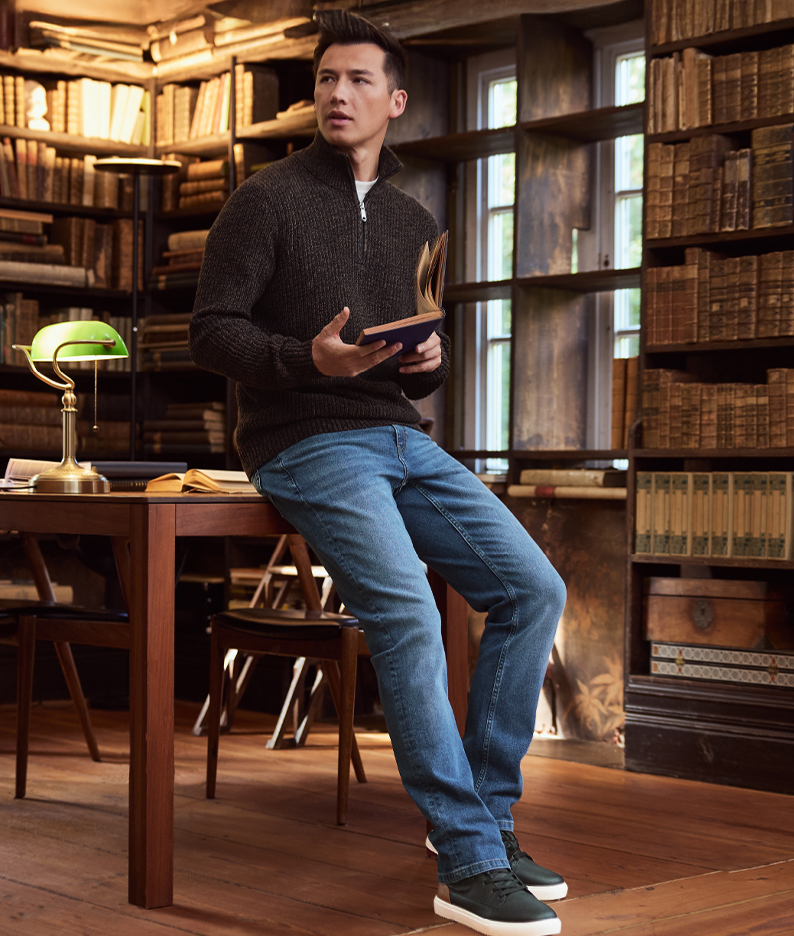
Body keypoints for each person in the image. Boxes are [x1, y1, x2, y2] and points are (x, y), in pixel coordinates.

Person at [189, 11, 567, 936]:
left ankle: (484, 823)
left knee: (533, 589)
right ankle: (471, 862)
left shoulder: (414, 218)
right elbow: (213, 332)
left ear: (394, 101)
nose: (335, 94)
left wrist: (426, 364)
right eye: (324, 79)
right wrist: (305, 361)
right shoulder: (264, 198)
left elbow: (413, 344)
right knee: (403, 609)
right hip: (303, 439)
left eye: (357, 80)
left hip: (401, 434)